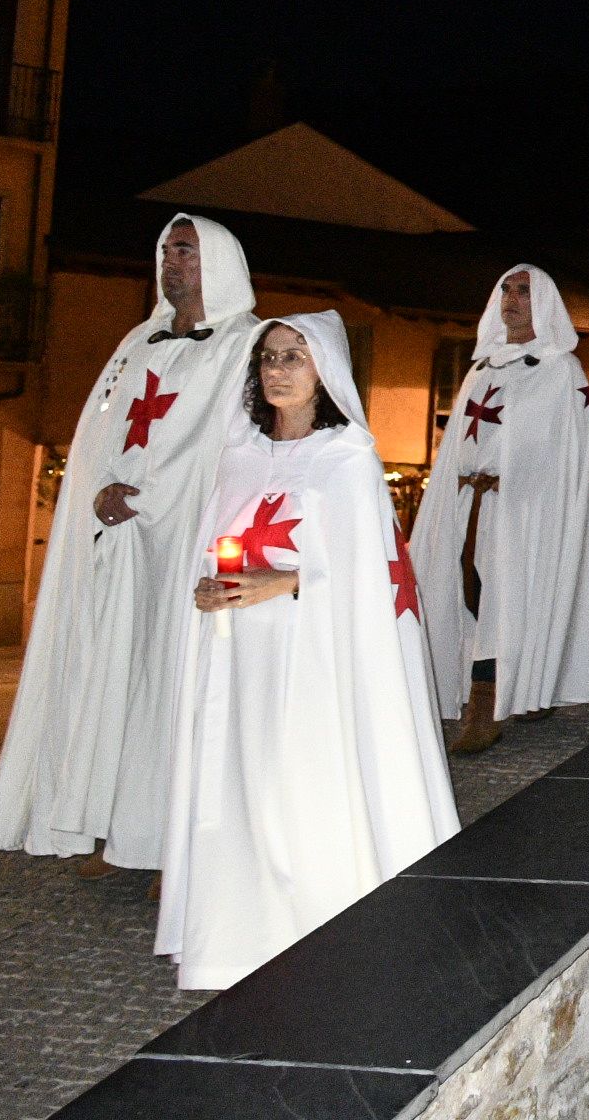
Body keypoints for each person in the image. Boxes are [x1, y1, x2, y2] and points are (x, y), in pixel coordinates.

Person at [156, 313, 456, 992]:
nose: (278, 369)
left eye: (294, 356)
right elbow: (212, 544)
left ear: (324, 370)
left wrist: (286, 580)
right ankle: (234, 934)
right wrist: (207, 588)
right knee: (240, 780)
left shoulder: (346, 459)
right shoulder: (236, 457)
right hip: (237, 655)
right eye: (268, 357)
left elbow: (365, 575)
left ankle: (312, 930)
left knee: (301, 783)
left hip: (313, 653)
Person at [0, 214, 260, 875]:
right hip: (123, 544)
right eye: (166, 248)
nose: (172, 261)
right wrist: (101, 489)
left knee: (176, 686)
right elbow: (104, 432)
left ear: (218, 261)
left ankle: (178, 848)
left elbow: (227, 441)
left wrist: (149, 495)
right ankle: (116, 827)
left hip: (184, 541)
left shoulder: (243, 346)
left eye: (186, 251)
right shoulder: (139, 340)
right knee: (115, 681)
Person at [412, 265, 589, 756]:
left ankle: (487, 706)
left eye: (524, 291)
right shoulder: (482, 369)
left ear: (546, 302)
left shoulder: (561, 370)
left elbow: (566, 452)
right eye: (506, 290)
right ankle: (478, 691)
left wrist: (519, 487)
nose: (512, 299)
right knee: (468, 592)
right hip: (470, 502)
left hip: (526, 509)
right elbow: (457, 444)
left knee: (508, 596)